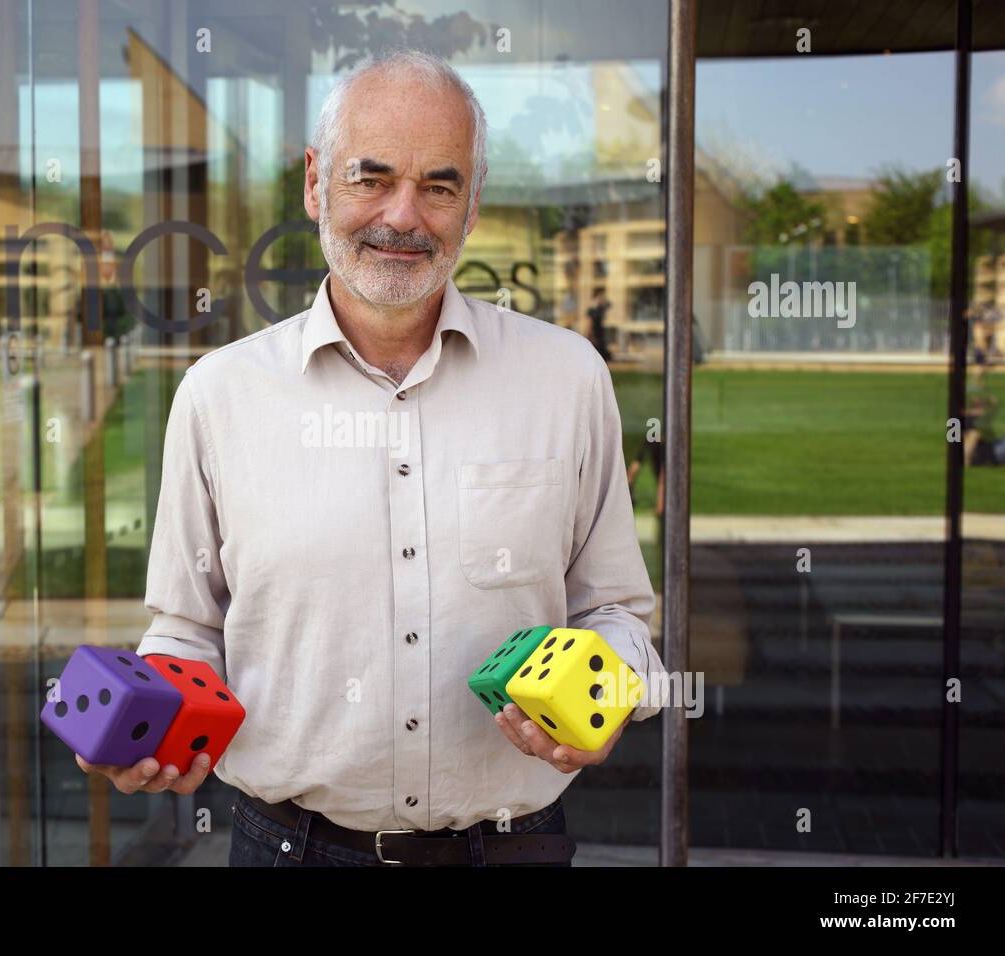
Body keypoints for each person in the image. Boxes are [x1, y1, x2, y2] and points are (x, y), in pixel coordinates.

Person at [77, 49, 663, 867]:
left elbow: (619, 616)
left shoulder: (567, 378)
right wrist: (148, 730)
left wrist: (616, 692)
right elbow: (185, 629)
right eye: (371, 177)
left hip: (511, 850)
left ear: (473, 202)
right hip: (290, 850)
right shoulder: (220, 394)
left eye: (439, 185)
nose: (403, 215)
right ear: (315, 182)